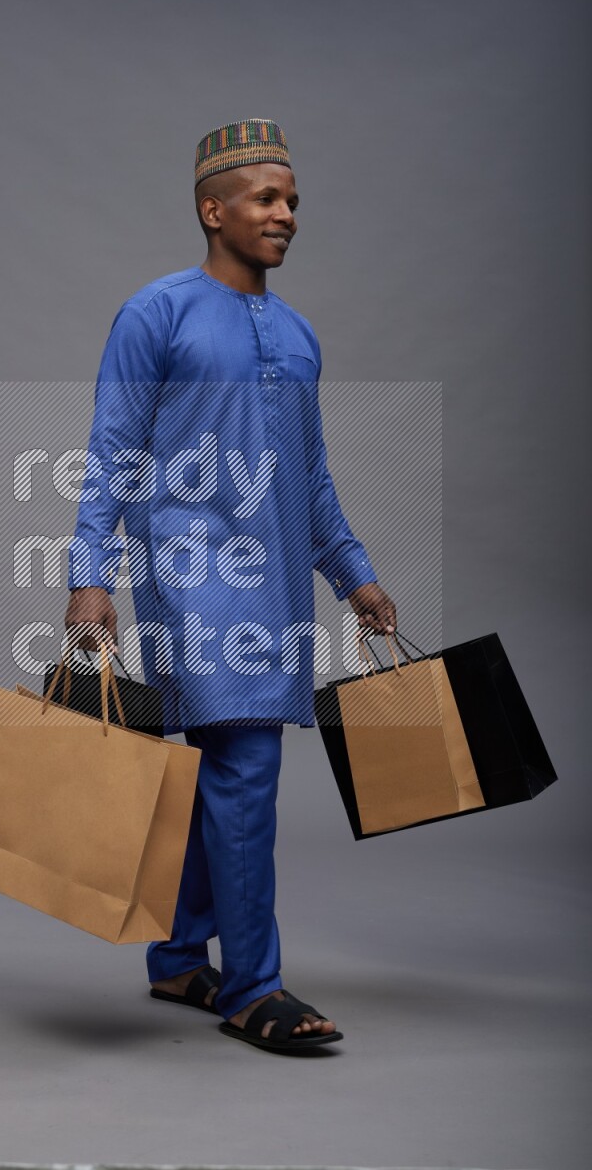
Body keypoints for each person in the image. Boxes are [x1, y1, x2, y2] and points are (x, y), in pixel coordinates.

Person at [63, 119, 396, 1054]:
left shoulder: (296, 334)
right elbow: (112, 453)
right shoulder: (156, 313)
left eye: (292, 200)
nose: (286, 214)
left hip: (278, 583)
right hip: (190, 574)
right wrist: (90, 577)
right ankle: (254, 986)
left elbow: (310, 473)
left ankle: (177, 958)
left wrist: (354, 574)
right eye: (266, 197)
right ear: (214, 209)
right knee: (245, 765)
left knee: (216, 765)